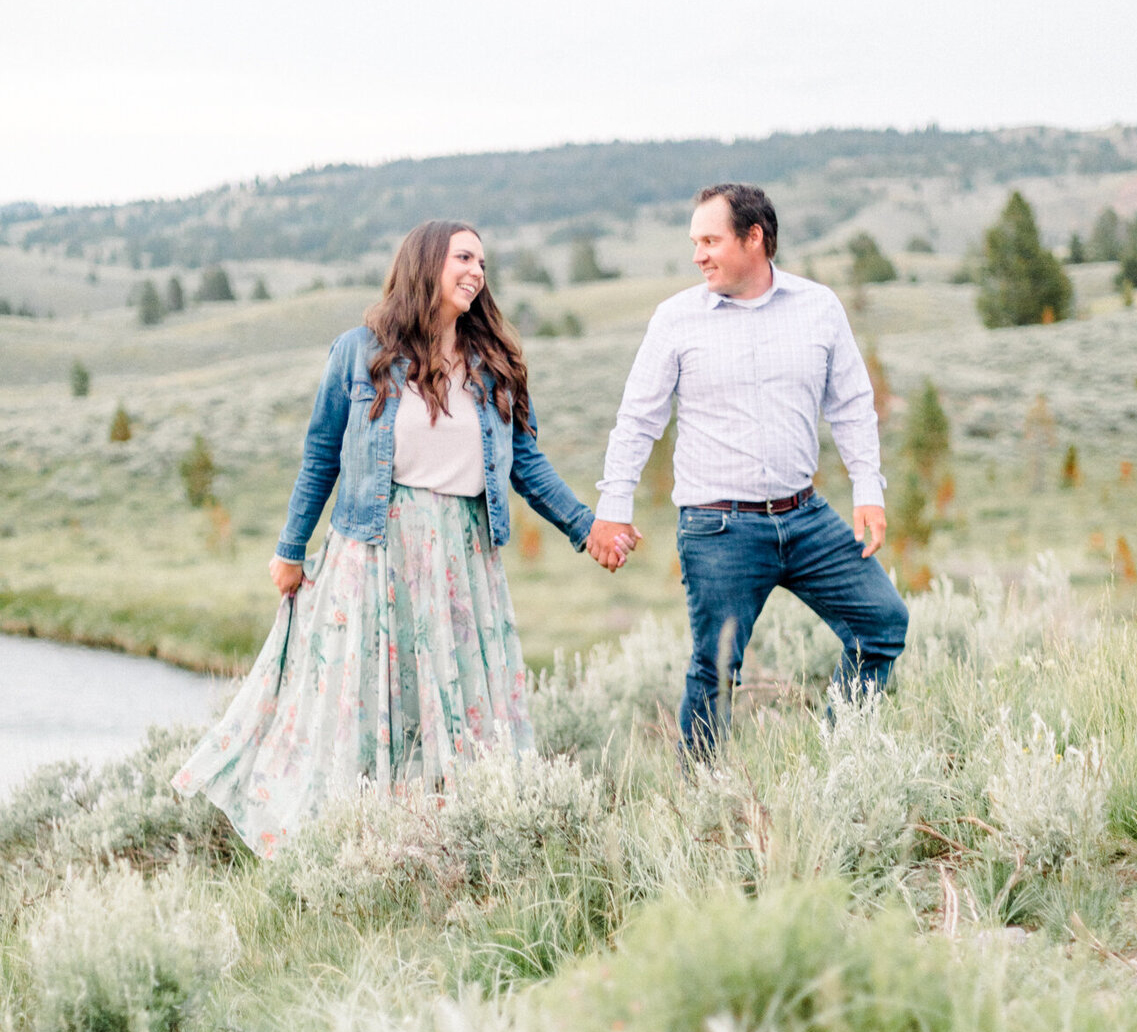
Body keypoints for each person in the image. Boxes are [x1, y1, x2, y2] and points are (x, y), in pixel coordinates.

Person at [174, 219, 631, 856]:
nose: (476, 270)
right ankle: (350, 844)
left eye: (481, 261)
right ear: (425, 265)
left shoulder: (491, 365)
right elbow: (319, 458)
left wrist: (589, 529)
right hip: (376, 551)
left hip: (464, 557)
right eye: (463, 257)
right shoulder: (359, 353)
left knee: (459, 702)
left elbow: (526, 463)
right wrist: (288, 549)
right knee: (366, 707)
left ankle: (456, 839)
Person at [587, 182, 908, 751]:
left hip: (806, 517)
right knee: (715, 673)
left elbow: (854, 405)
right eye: (695, 241)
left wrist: (868, 490)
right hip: (719, 529)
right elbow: (637, 421)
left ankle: (840, 761)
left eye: (710, 240)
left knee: (881, 624)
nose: (697, 255)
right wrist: (613, 511)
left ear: (754, 238)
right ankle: (701, 805)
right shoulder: (676, 319)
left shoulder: (819, 307)